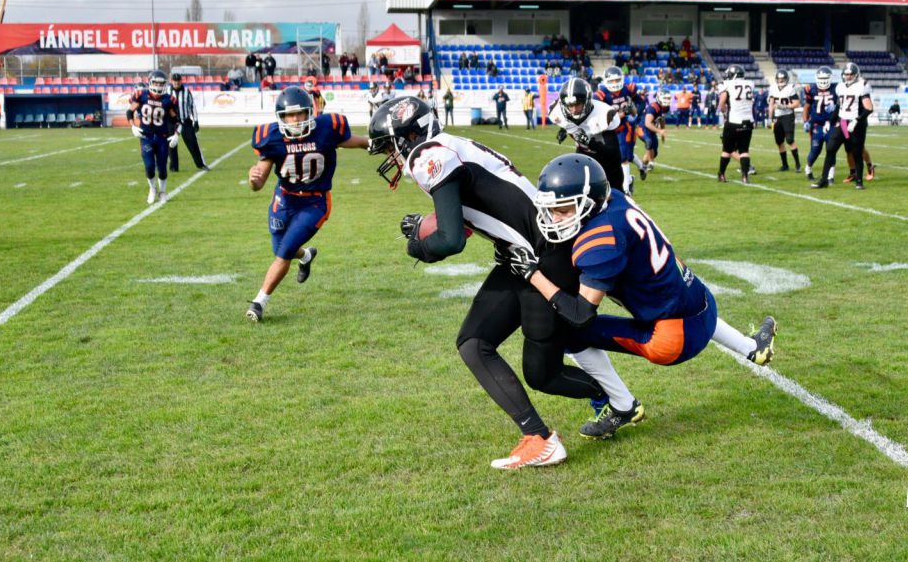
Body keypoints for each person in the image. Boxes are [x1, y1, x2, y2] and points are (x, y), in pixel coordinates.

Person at [367, 97, 635, 468]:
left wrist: (418, 246)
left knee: (542, 372)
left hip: (542, 256)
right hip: (526, 251)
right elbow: (474, 214)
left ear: (408, 137)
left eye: (390, 146)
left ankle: (564, 428)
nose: (391, 158)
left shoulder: (428, 157)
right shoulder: (449, 147)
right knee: (475, 343)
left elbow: (450, 240)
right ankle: (587, 411)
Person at [512, 154, 775, 434]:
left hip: (672, 337)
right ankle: (752, 348)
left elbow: (580, 314)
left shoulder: (601, 238)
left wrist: (532, 274)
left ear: (588, 203)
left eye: (563, 210)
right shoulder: (613, 197)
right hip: (700, 299)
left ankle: (623, 405)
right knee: (683, 299)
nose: (555, 218)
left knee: (571, 332)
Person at [247, 87, 366, 322]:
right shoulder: (271, 137)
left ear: (310, 112)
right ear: (280, 117)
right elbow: (258, 181)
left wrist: (380, 144)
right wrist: (255, 180)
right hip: (284, 198)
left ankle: (259, 302)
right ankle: (306, 256)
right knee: (280, 248)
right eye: (289, 115)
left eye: (300, 113)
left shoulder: (325, 128)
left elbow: (358, 141)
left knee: (283, 253)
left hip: (315, 201)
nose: (295, 120)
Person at [550, 77, 625, 190]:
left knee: (614, 190)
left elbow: (612, 152)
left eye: (577, 105)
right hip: (583, 152)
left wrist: (590, 142)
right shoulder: (557, 113)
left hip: (607, 160)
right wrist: (564, 130)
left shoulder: (605, 116)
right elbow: (571, 125)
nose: (574, 110)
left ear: (587, 101)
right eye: (570, 106)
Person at [812, 63, 871, 190]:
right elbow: (839, 107)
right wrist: (829, 121)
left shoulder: (862, 85)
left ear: (856, 75)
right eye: (846, 74)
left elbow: (869, 108)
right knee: (831, 148)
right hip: (843, 122)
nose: (848, 77)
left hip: (857, 124)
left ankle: (859, 181)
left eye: (851, 74)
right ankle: (824, 180)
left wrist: (857, 120)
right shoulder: (840, 87)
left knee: (856, 152)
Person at [127, 70, 181, 205]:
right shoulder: (141, 95)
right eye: (156, 82)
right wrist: (133, 126)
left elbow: (178, 121)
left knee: (162, 168)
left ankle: (162, 192)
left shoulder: (169, 99)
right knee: (150, 166)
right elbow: (129, 111)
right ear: (150, 82)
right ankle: (152, 189)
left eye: (161, 83)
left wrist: (176, 135)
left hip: (162, 137)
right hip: (146, 137)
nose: (158, 85)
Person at [595, 66, 646, 189]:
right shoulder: (602, 94)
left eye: (617, 80)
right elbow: (598, 113)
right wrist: (621, 114)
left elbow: (641, 102)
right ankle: (637, 172)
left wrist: (635, 113)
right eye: (612, 81)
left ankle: (626, 187)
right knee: (614, 157)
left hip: (624, 127)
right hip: (608, 129)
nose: (615, 83)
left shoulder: (627, 89)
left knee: (624, 156)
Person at [718, 66, 755, 183]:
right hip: (748, 121)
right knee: (744, 151)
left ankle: (722, 174)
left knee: (727, 150)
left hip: (733, 121)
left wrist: (723, 109)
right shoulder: (750, 83)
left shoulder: (727, 84)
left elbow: (722, 102)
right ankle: (745, 176)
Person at [167, 73, 209, 172]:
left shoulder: (186, 91)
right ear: (171, 81)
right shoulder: (167, 91)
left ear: (181, 81)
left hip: (185, 121)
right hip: (172, 122)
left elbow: (192, 106)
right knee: (172, 144)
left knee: (193, 143)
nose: (176, 83)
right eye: (174, 81)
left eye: (178, 81)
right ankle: (174, 167)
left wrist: (196, 120)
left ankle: (200, 164)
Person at [801, 67, 837, 181]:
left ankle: (830, 175)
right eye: (821, 78)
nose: (823, 81)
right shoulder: (811, 89)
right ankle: (808, 168)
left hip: (831, 124)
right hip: (817, 124)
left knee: (831, 150)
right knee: (815, 151)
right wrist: (806, 122)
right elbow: (806, 107)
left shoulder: (836, 88)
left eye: (825, 78)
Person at [767, 71, 801, 172]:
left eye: (782, 79)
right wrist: (769, 118)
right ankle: (785, 165)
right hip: (777, 117)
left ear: (786, 79)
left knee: (790, 140)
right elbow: (771, 103)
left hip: (787, 116)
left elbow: (797, 103)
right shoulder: (773, 88)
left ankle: (798, 164)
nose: (780, 81)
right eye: (779, 79)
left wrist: (785, 106)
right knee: (779, 142)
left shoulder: (790, 88)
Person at [639, 91, 669, 175]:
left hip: (651, 130)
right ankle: (651, 163)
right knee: (649, 142)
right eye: (665, 98)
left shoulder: (665, 107)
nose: (667, 100)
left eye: (668, 98)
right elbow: (647, 123)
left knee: (654, 153)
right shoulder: (653, 107)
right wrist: (659, 131)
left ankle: (642, 166)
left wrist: (662, 130)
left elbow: (661, 119)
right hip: (642, 128)